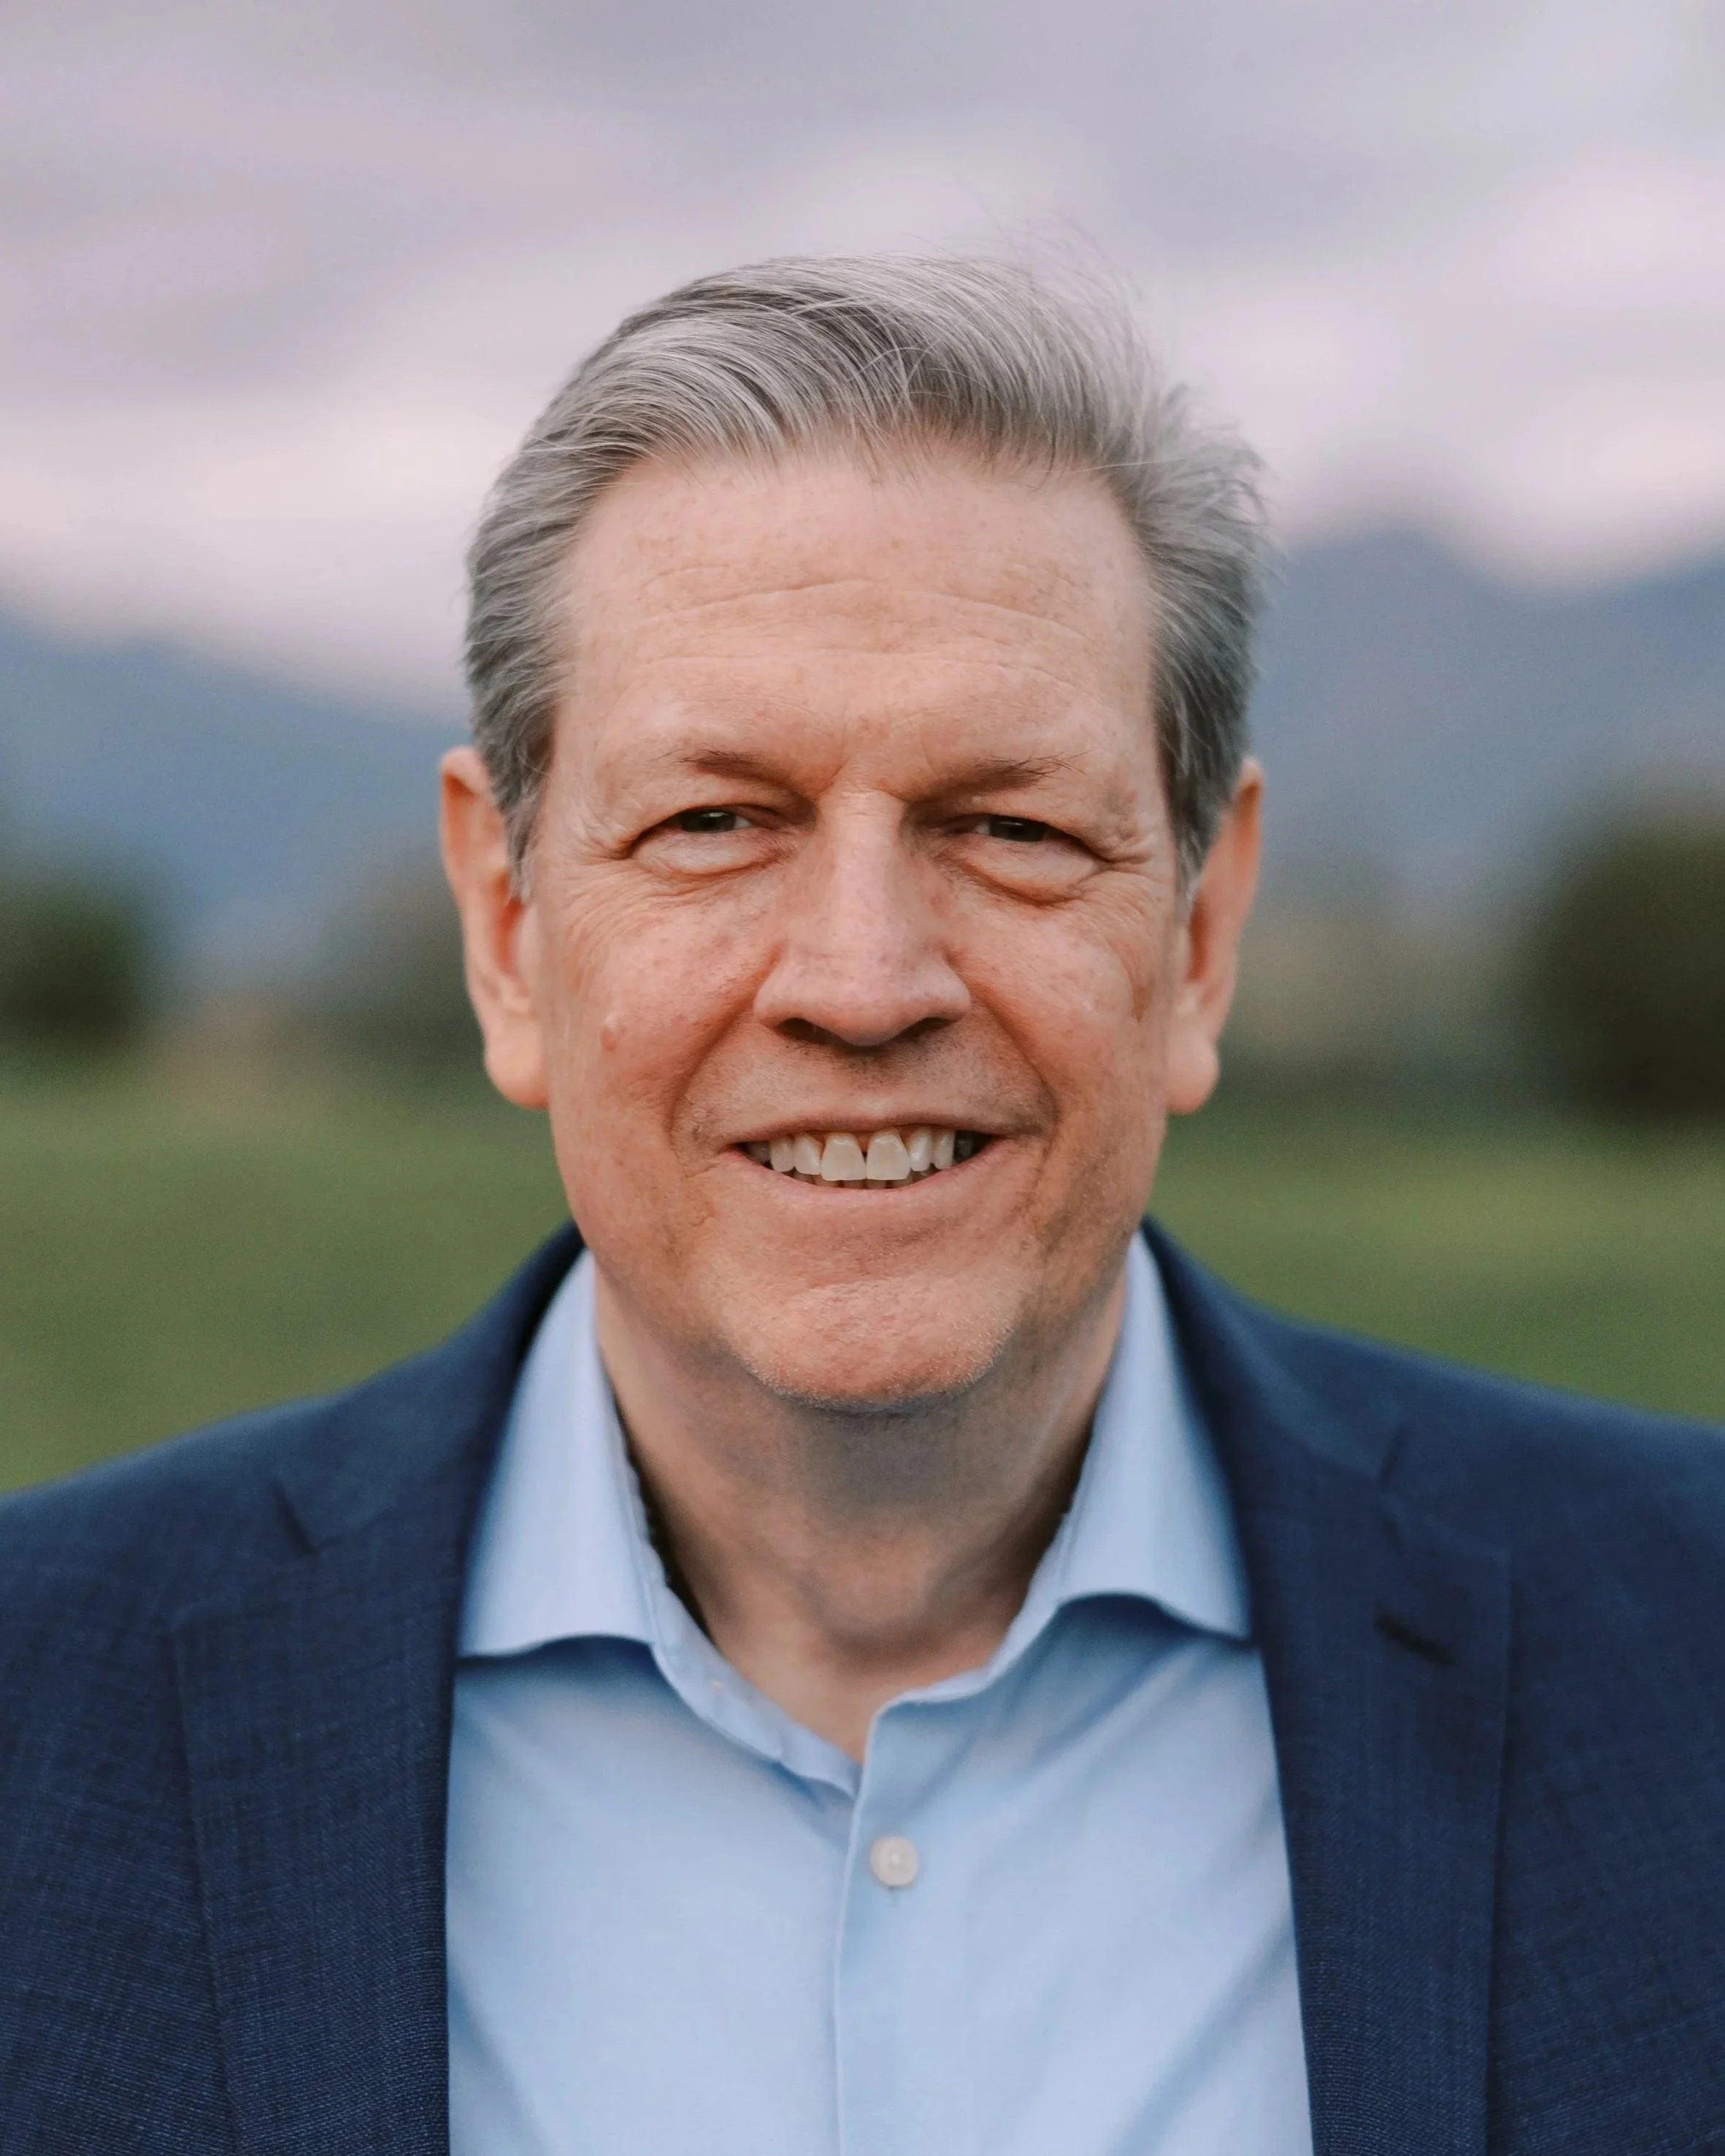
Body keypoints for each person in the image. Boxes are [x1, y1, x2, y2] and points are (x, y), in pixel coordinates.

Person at [2, 255, 1722, 2156]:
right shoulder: (35, 1716)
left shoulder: (1690, 1655)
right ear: (505, 928)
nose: (863, 978)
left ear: (1205, 934)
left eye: (1012, 827)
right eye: (715, 822)